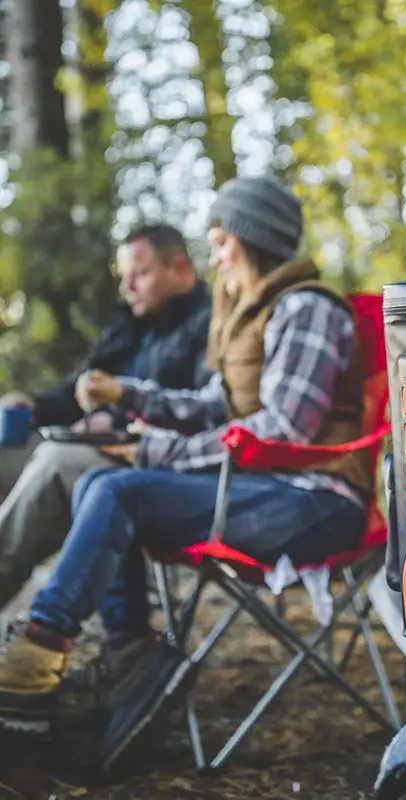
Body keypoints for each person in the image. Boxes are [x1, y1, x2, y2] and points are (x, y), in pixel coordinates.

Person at [0, 176, 371, 731]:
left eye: (221, 242)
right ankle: (109, 654)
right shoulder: (253, 313)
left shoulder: (306, 310)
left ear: (251, 238)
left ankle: (41, 649)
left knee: (118, 489)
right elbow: (214, 405)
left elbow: (283, 431)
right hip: (266, 486)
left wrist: (156, 449)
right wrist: (130, 394)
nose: (214, 256)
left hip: (317, 498)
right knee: (98, 481)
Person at [0, 225, 211, 617]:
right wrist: (34, 406)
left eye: (140, 275)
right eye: (124, 277)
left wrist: (127, 421)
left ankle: (54, 621)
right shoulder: (129, 322)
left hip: (151, 459)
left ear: (180, 268)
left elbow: (206, 411)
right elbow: (81, 387)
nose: (127, 288)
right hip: (93, 444)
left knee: (55, 463)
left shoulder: (208, 324)